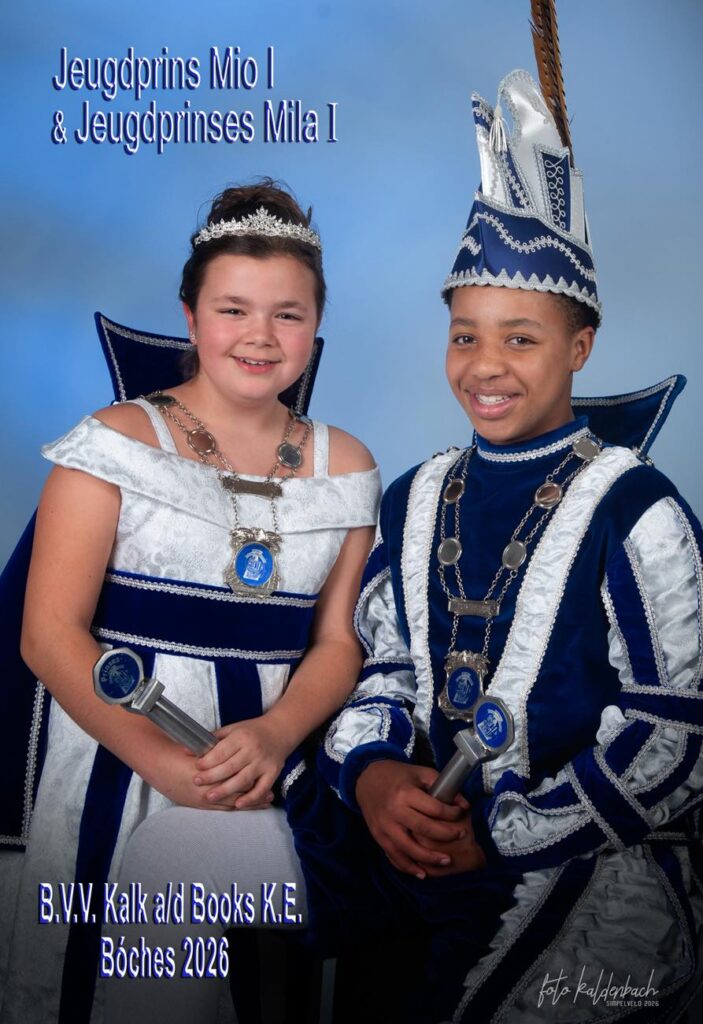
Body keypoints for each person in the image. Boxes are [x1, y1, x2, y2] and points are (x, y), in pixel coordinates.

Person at [310, 71, 702, 1022]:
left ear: (579, 347)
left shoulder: (636, 506)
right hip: (413, 850)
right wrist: (374, 778)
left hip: (576, 862)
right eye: (463, 337)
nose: (484, 367)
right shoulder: (416, 494)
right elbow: (386, 667)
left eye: (520, 339)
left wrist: (501, 835)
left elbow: (672, 729)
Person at [0, 179, 380, 1024]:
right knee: (109, 983)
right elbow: (48, 634)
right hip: (117, 756)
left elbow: (336, 643)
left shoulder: (349, 468)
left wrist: (275, 735)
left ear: (316, 325)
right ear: (190, 317)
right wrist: (165, 765)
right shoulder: (113, 444)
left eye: (287, 314)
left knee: (255, 992)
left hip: (268, 770)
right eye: (232, 309)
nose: (259, 335)